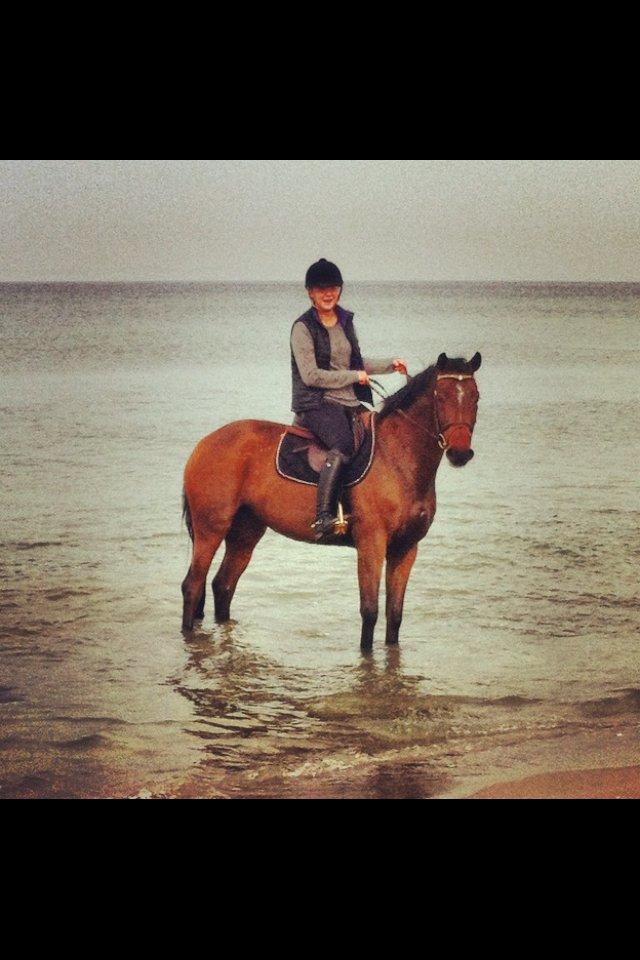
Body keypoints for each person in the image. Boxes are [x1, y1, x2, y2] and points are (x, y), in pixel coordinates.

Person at [290, 259, 407, 541]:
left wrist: (389, 365)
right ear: (310, 292)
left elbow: (355, 362)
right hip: (315, 403)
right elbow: (311, 376)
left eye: (333, 288)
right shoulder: (302, 328)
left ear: (339, 290)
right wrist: (355, 377)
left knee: (379, 434)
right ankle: (323, 516)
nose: (328, 293)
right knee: (342, 444)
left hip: (349, 401)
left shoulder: (345, 321)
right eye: (321, 289)